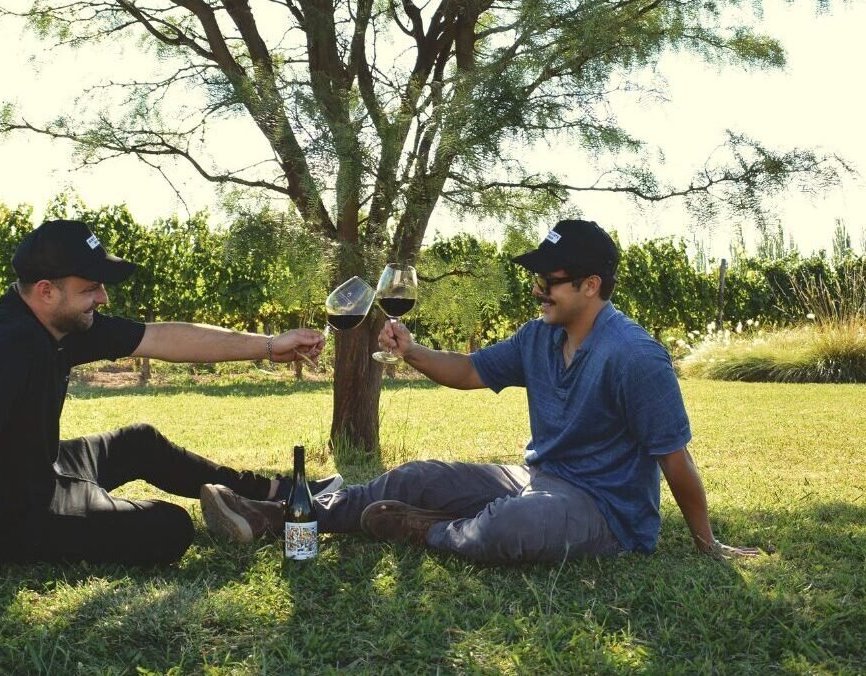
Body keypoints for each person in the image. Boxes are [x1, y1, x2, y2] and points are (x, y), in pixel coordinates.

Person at [200, 219, 760, 565]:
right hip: (536, 478)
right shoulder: (540, 336)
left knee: (515, 525)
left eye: (551, 280)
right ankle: (277, 517)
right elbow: (470, 371)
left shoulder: (636, 358)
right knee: (415, 476)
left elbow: (674, 459)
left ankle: (430, 530)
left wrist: (706, 541)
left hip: (607, 512)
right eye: (536, 277)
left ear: (591, 287)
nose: (538, 288)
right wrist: (412, 352)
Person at [0, 219, 341, 610]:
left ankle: (273, 493)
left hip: (39, 470)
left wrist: (267, 346)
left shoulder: (54, 322)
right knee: (169, 527)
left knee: (138, 440)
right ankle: (251, 513)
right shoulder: (10, 348)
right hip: (3, 520)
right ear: (46, 291)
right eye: (90, 288)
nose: (102, 298)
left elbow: (162, 338)